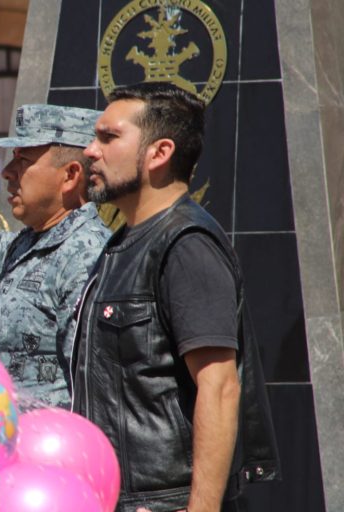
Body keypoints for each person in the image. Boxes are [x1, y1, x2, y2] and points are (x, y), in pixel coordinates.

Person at [72, 83, 279, 511]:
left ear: (159, 153)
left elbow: (219, 386)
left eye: (109, 137)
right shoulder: (120, 247)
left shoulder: (186, 244)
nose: (91, 150)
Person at [0, 104, 110, 408]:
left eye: (23, 159)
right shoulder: (27, 243)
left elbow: (93, 387)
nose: (7, 172)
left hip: (52, 449)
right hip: (9, 444)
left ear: (70, 175)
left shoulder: (87, 255)